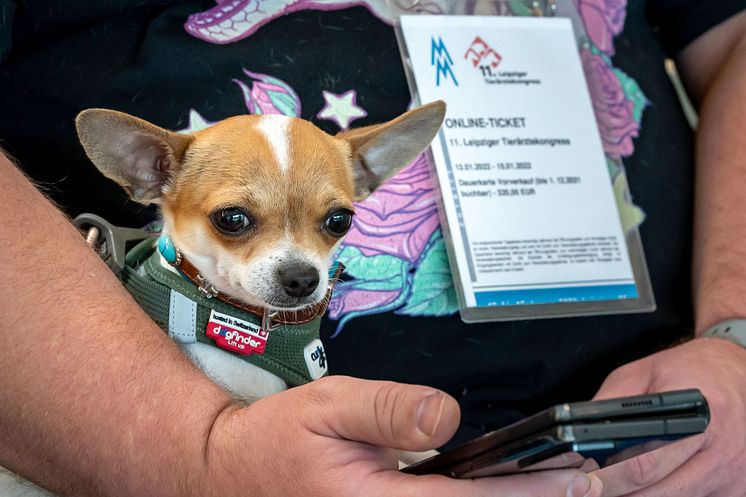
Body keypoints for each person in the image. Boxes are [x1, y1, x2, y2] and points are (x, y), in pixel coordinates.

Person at [1, 1, 744, 496]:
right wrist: (201, 454)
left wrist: (736, 339)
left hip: (669, 428)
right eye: (236, 222)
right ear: (148, 171)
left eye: (332, 224)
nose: (297, 265)